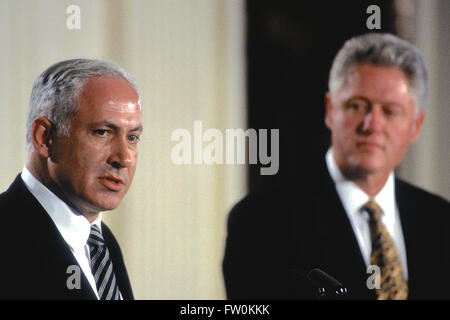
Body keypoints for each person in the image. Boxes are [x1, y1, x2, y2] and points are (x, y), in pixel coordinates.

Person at [223, 33, 450, 300]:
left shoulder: (441, 222)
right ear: (330, 110)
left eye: (390, 111)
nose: (372, 125)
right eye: (356, 106)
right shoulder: (261, 221)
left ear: (416, 125)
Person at [0, 59, 143, 299]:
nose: (123, 158)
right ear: (45, 138)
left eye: (132, 138)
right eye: (103, 132)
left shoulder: (102, 243)